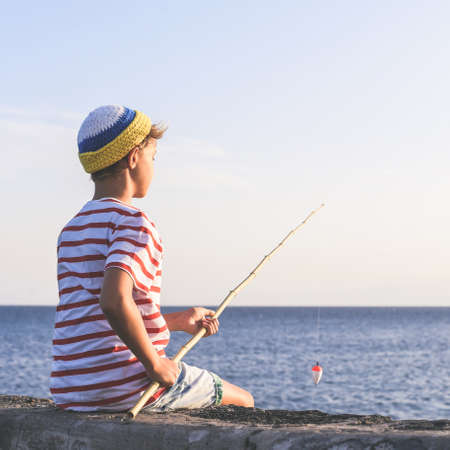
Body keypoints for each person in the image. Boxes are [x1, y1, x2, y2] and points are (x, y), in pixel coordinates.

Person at [50, 105, 254, 412]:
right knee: (243, 401)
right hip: (127, 387)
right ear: (134, 158)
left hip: (73, 391)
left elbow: (96, 317)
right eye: (153, 158)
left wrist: (174, 322)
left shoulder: (72, 230)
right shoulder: (134, 222)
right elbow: (114, 301)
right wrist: (155, 364)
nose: (154, 168)